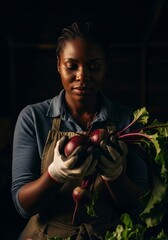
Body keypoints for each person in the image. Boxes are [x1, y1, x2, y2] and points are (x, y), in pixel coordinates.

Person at [11, 21, 149, 240]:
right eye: (71, 65)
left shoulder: (129, 121)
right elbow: (23, 206)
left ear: (106, 67)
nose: (82, 76)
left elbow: (141, 205)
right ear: (58, 65)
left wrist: (115, 175)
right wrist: (55, 175)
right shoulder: (33, 118)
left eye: (94, 66)